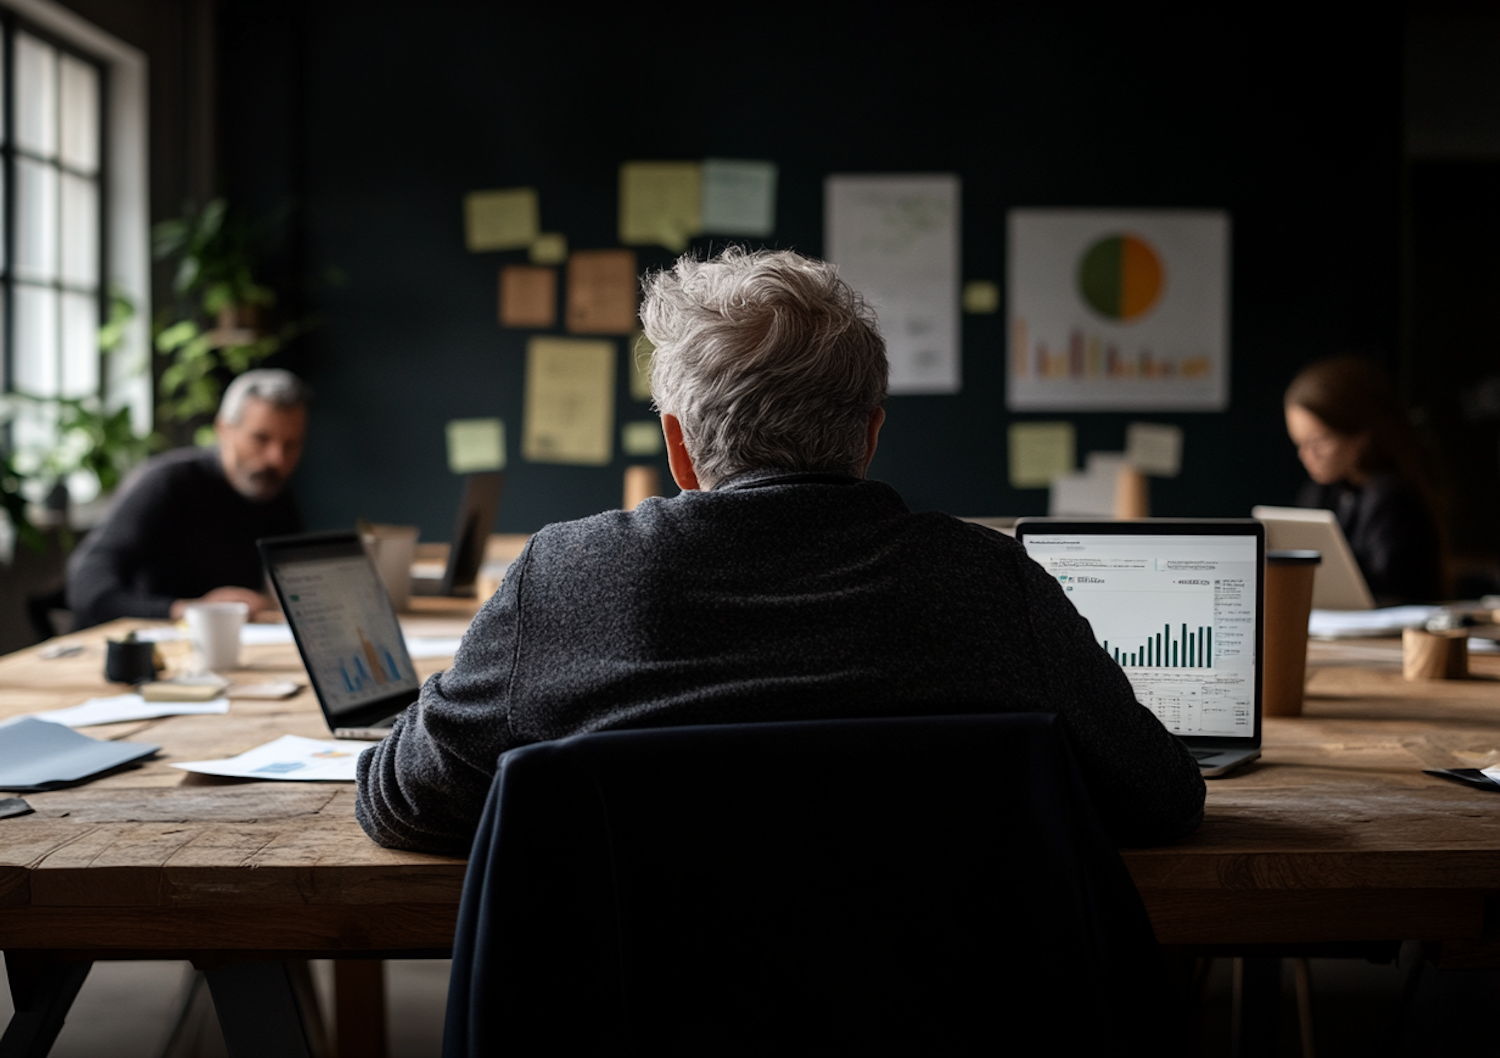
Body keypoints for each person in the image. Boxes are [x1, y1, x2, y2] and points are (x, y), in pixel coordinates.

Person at [356, 249, 1204, 856]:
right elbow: (1161, 800)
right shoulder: (990, 583)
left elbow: (405, 804)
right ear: (869, 436)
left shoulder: (567, 579)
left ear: (678, 448)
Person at [66, 369, 310, 629]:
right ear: (223, 429)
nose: (277, 459)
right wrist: (188, 610)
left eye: (291, 444)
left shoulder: (275, 493)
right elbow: (86, 586)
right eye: (260, 439)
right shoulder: (167, 483)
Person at [1284, 355, 1445, 605]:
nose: (1307, 455)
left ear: (1360, 433)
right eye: (1300, 444)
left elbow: (1389, 588)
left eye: (1319, 442)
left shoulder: (1393, 498)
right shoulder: (1320, 493)